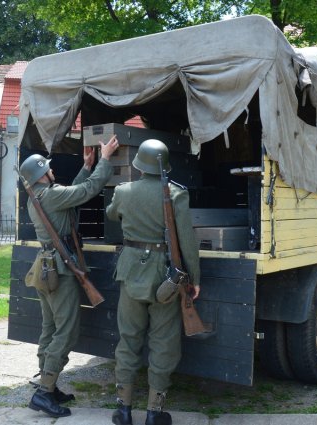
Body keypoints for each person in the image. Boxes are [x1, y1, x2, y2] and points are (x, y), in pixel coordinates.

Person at [19, 135, 119, 418]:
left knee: (49, 329)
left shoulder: (39, 197)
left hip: (46, 268)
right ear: (43, 174)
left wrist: (86, 167)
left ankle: (48, 384)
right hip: (60, 271)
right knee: (67, 331)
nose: (53, 170)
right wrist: (105, 159)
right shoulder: (50, 195)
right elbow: (86, 191)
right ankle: (44, 392)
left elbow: (70, 192)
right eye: (48, 168)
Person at [105, 139, 200, 425]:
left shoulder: (123, 191)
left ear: (139, 165)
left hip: (131, 272)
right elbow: (186, 240)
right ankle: (154, 412)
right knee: (163, 343)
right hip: (164, 278)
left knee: (128, 340)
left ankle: (123, 409)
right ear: (165, 165)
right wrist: (194, 278)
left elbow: (111, 214)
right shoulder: (176, 194)